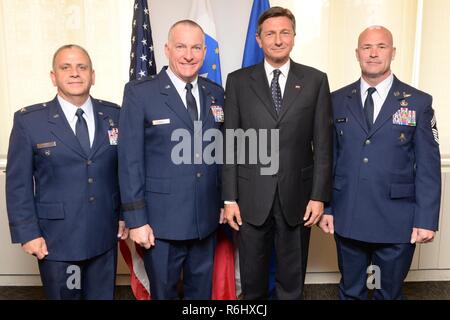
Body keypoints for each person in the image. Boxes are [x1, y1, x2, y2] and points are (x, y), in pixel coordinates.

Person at [319, 26, 441, 300]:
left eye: (382, 46)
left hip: (396, 220)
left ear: (393, 52)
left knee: (388, 293)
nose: (373, 53)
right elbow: (328, 159)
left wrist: (426, 220)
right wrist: (326, 207)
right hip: (348, 215)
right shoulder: (336, 100)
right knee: (351, 291)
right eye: (367, 47)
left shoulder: (418, 102)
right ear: (357, 53)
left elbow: (428, 166)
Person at [222, 6, 333, 300]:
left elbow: (323, 145)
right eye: (270, 33)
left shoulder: (315, 80)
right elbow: (230, 143)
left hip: (298, 197)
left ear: (294, 37)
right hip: (250, 198)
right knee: (253, 279)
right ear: (258, 39)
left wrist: (319, 196)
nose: (278, 39)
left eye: (285, 32)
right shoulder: (238, 81)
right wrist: (229, 198)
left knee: (291, 280)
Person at [5, 44, 126, 300]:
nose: (74, 73)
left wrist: (126, 215)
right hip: (57, 241)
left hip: (104, 235)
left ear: (92, 75)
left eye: (82, 67)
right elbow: (18, 185)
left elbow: (124, 171)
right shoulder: (30, 121)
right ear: (53, 76)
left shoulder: (114, 115)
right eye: (66, 67)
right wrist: (28, 233)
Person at [118, 20, 224, 300]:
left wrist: (226, 200)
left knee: (201, 296)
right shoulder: (140, 93)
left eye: (196, 47)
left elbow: (222, 154)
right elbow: (129, 161)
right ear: (167, 49)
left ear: (204, 52)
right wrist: (136, 220)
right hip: (160, 223)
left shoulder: (216, 93)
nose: (188, 55)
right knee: (163, 294)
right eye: (181, 47)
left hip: (206, 219)